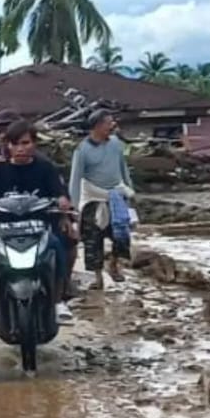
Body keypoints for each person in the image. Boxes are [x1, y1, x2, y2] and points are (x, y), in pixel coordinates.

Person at [0, 120, 74, 313]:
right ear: (8, 145)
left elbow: (59, 190)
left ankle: (59, 295)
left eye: (25, 143)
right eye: (15, 143)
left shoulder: (45, 168)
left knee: (62, 244)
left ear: (34, 144)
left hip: (39, 226)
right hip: (3, 227)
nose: (20, 148)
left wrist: (63, 201)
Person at [70, 109, 135, 290]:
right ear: (97, 126)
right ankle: (97, 277)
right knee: (93, 240)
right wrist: (74, 208)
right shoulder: (82, 150)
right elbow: (75, 179)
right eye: (108, 122)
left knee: (121, 236)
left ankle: (114, 264)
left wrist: (130, 191)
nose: (112, 125)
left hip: (116, 195)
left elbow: (123, 169)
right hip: (93, 197)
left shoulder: (115, 144)